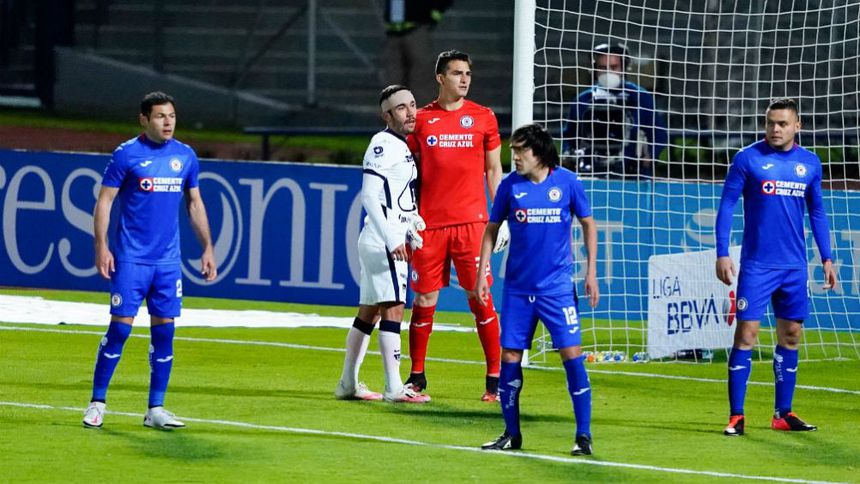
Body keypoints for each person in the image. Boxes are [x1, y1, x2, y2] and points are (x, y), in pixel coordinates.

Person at [82, 91, 217, 430]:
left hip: (168, 263)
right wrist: (102, 246)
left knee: (165, 333)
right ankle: (97, 402)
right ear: (144, 119)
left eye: (171, 116)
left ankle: (155, 408)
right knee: (119, 329)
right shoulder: (126, 154)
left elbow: (195, 203)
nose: (168, 122)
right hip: (131, 260)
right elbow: (105, 201)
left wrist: (207, 247)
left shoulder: (185, 156)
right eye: (160, 116)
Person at [715, 98, 837, 437]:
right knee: (746, 336)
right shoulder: (748, 159)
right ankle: (737, 416)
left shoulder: (810, 163)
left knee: (791, 336)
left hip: (794, 267)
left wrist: (826, 258)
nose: (775, 129)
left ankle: (783, 413)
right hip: (757, 266)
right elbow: (727, 205)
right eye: (770, 122)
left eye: (782, 123)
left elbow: (817, 212)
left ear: (797, 126)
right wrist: (722, 253)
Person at [476, 123, 599, 455]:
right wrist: (482, 271)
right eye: (513, 151)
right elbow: (491, 229)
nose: (515, 157)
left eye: (521, 151)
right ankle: (511, 434)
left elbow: (588, 224)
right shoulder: (509, 186)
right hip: (518, 290)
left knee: (572, 355)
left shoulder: (568, 182)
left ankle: (583, 435)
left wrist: (591, 272)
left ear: (539, 153)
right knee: (510, 357)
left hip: (557, 289)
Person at [406, 49, 509, 401]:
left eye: (468, 73)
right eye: (456, 73)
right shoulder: (421, 120)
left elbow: (493, 169)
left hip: (472, 224)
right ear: (440, 77)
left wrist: (501, 214)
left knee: (480, 297)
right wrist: (408, 215)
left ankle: (494, 379)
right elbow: (408, 173)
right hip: (430, 225)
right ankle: (416, 377)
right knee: (424, 298)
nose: (464, 79)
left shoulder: (483, 117)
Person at [334, 85, 430, 404]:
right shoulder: (383, 144)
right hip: (383, 241)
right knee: (394, 308)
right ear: (387, 116)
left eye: (413, 105)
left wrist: (411, 222)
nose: (411, 112)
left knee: (369, 314)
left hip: (383, 238)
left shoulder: (401, 146)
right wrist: (392, 237)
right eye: (401, 108)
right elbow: (370, 196)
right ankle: (394, 387)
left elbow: (396, 197)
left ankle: (347, 383)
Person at [561, 41, 667, 178]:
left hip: (632, 173)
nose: (608, 72)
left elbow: (659, 133)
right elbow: (569, 136)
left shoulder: (641, 98)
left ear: (624, 68)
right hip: (592, 170)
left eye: (613, 67)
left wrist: (650, 155)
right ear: (595, 69)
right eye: (602, 67)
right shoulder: (583, 100)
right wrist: (568, 155)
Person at [379, 0, 452, 106]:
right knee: (394, 75)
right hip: (393, 32)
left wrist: (433, 16)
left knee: (420, 74)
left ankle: (422, 109)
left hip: (416, 29)